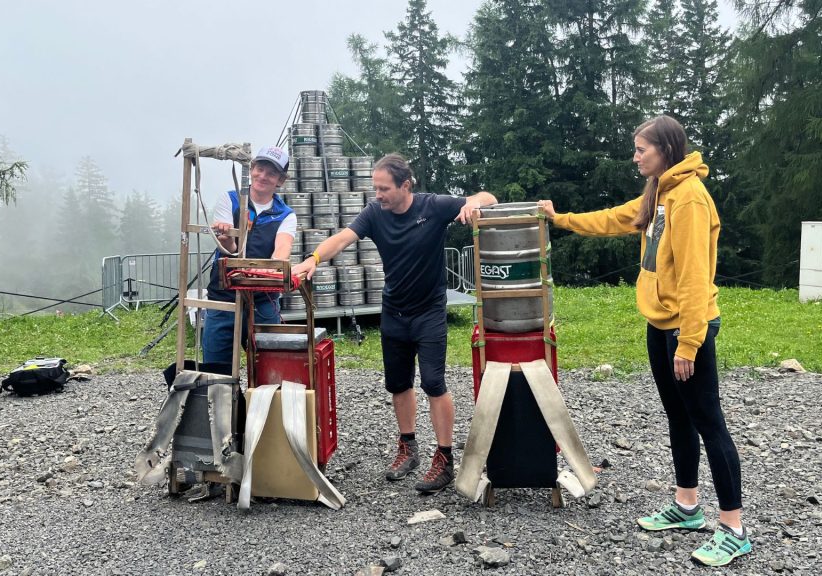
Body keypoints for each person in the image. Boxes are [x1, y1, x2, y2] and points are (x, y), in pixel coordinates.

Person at [538, 116, 751, 567]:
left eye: (641, 150)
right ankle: (687, 506)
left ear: (666, 149)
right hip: (659, 324)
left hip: (686, 327)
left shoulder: (689, 198)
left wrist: (689, 344)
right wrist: (561, 219)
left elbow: (696, 277)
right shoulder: (660, 192)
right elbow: (618, 218)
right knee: (679, 417)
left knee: (709, 423)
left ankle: (733, 527)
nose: (635, 157)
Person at [292, 154, 497, 494]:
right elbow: (342, 239)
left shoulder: (433, 207)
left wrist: (473, 203)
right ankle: (409, 448)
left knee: (433, 382)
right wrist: (312, 259)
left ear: (405, 186)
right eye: (375, 188)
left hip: (429, 312)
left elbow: (488, 197)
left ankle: (444, 458)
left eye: (384, 188)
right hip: (394, 312)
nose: (378, 195)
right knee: (398, 384)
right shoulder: (375, 214)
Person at [202, 145, 297, 364]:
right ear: (252, 168)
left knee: (269, 365)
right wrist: (225, 237)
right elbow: (230, 249)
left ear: (280, 180)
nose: (263, 176)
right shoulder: (230, 199)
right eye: (260, 168)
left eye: (271, 172)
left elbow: (282, 251)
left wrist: (272, 268)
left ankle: (262, 398)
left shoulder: (285, 215)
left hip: (264, 300)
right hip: (224, 296)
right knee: (216, 367)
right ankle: (223, 398)